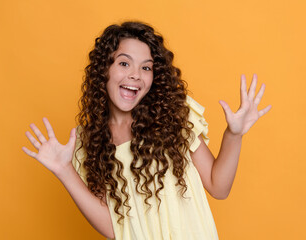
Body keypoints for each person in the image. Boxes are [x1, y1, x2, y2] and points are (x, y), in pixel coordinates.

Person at [22, 21, 272, 240]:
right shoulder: (88, 142)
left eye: (146, 67)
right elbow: (111, 227)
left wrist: (234, 134)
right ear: (104, 70)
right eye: (124, 63)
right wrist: (64, 170)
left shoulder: (173, 118)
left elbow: (219, 186)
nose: (135, 75)